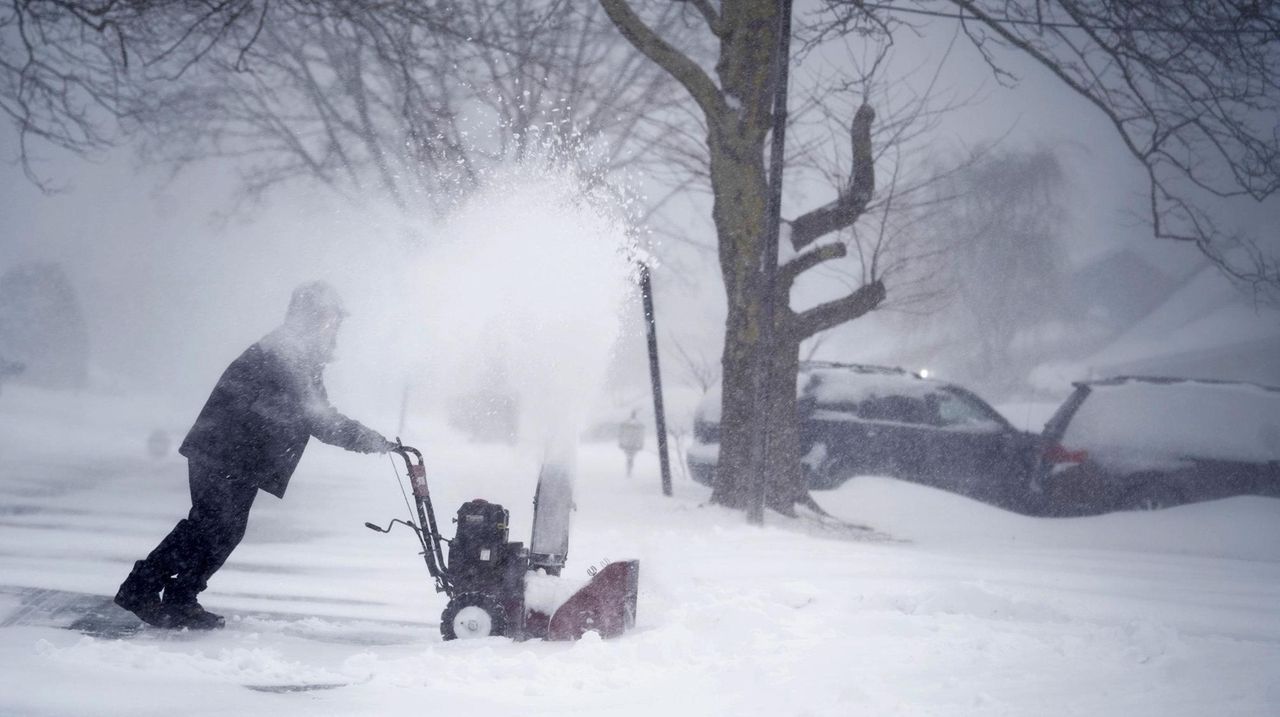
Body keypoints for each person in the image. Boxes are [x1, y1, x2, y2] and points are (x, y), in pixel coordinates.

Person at [114, 281, 395, 629]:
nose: (335, 326)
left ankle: (181, 596)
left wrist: (367, 438)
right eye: (330, 319)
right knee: (211, 526)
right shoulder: (287, 352)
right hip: (223, 450)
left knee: (221, 529)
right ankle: (141, 587)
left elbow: (315, 410)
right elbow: (316, 416)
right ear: (312, 317)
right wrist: (367, 439)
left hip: (237, 455)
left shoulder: (298, 351)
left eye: (336, 320)